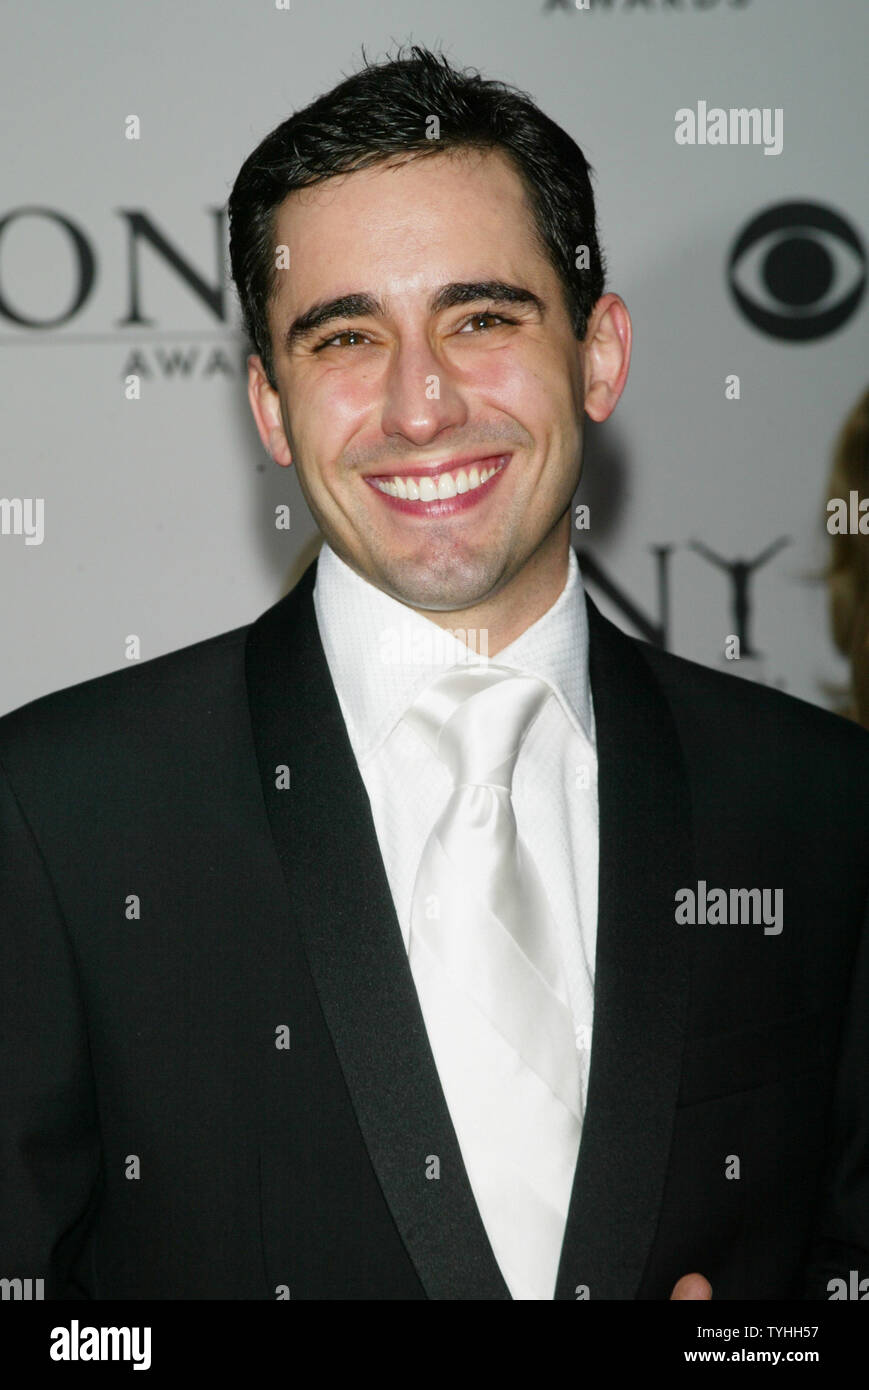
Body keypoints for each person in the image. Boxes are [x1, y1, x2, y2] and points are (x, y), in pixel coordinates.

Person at [1, 46, 867, 1302]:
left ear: (599, 353)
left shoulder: (815, 804)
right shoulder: (60, 814)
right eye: (345, 335)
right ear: (269, 406)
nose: (419, 406)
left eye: (480, 318)